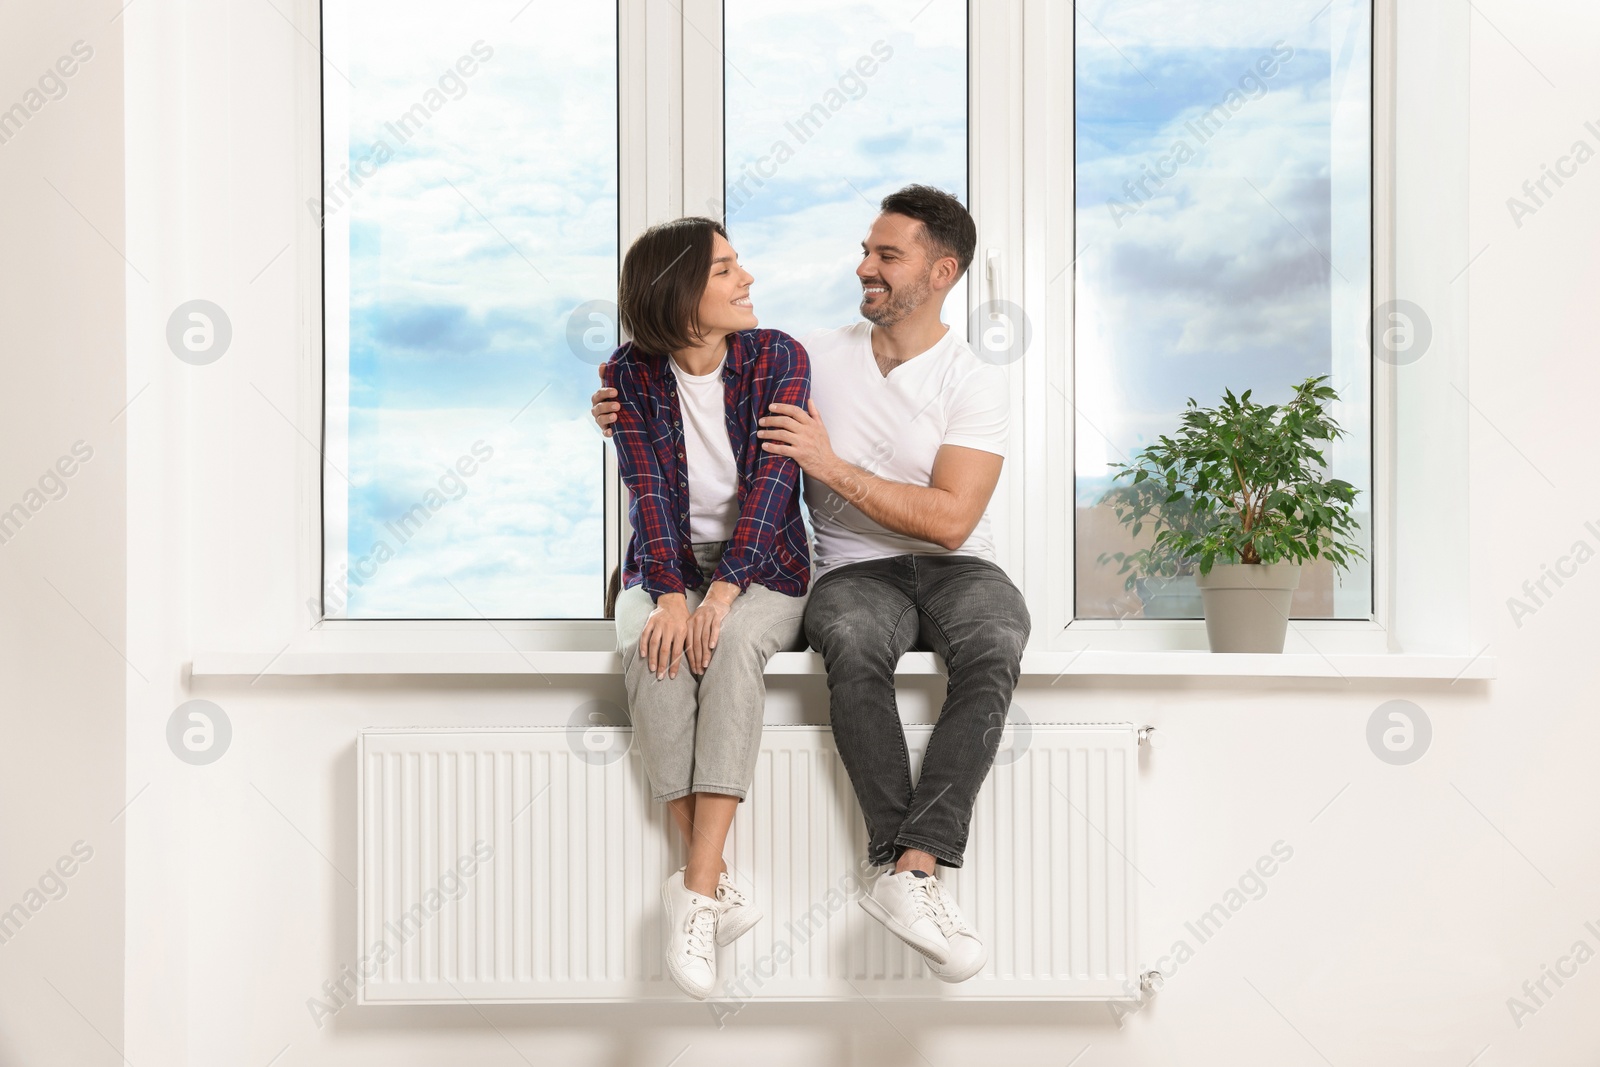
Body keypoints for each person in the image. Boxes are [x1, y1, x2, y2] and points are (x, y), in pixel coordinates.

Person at [592, 186, 1029, 985]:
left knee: (998, 639)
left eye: (885, 254)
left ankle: (911, 871)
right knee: (853, 642)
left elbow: (951, 522)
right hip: (849, 568)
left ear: (942, 271)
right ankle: (723, 879)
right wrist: (618, 405)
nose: (863, 265)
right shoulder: (808, 352)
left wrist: (825, 467)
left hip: (956, 566)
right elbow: (674, 416)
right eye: (866, 248)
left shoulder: (971, 380)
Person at [602, 216, 811, 1001]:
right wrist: (668, 598)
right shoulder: (629, 374)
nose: (746, 278)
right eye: (726, 269)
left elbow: (774, 484)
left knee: (727, 650)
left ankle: (691, 893)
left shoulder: (777, 355)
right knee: (657, 657)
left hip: (768, 567)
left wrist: (720, 595)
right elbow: (648, 492)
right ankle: (715, 880)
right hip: (664, 568)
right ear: (683, 296)